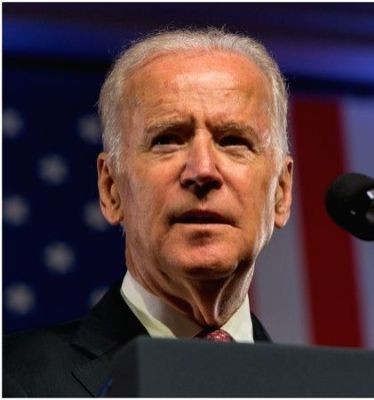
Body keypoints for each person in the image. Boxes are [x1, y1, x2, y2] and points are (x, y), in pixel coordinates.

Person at [3, 28, 293, 396]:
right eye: (167, 140)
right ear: (111, 191)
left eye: (233, 141)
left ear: (281, 193)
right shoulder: (15, 380)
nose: (202, 170)